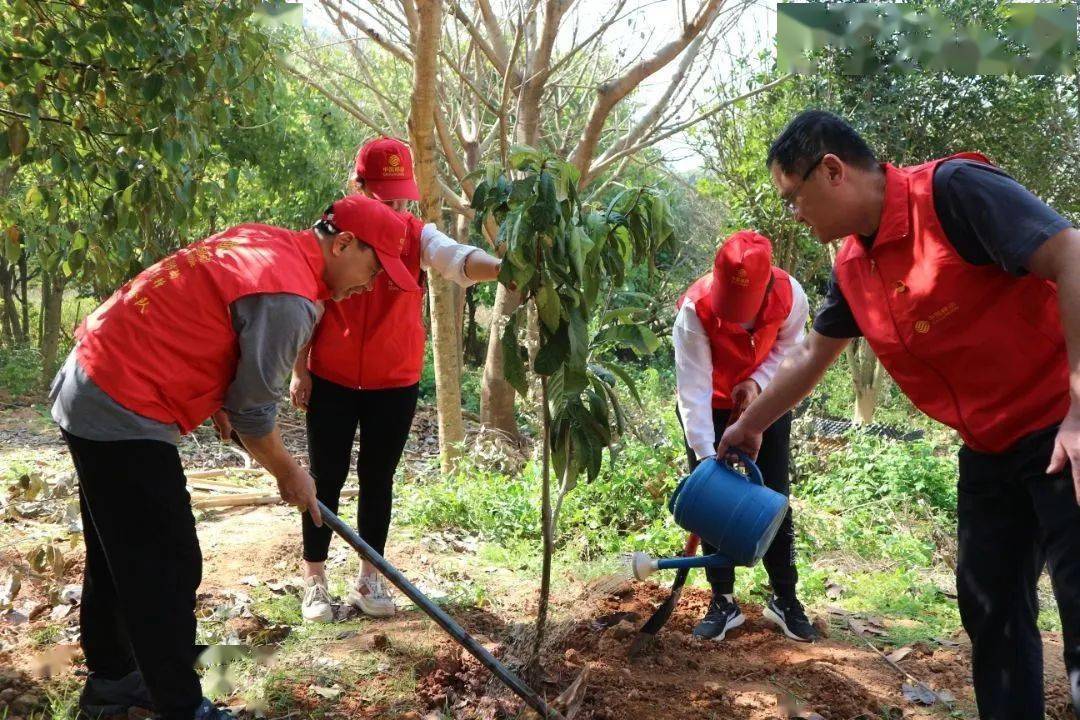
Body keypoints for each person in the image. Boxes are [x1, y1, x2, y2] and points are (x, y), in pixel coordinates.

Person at [719, 109, 1080, 719]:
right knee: (990, 611)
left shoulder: (952, 194)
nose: (794, 216)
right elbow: (813, 355)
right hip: (989, 447)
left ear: (831, 170)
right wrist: (749, 425)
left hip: (1061, 426)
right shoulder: (852, 266)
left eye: (792, 199)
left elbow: (1071, 254)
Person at [50, 195, 412, 720]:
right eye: (375, 267)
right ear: (344, 243)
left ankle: (113, 681)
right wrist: (292, 474)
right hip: (123, 400)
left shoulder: (270, 242)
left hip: (93, 376)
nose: (372, 284)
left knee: (119, 552)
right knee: (168, 561)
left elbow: (216, 326)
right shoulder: (291, 298)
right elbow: (254, 413)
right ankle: (178, 705)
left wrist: (221, 399)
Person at [291, 136, 503, 623]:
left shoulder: (414, 234)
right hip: (333, 377)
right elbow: (310, 301)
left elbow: (455, 259)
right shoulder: (333, 233)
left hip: (394, 380)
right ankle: (315, 579)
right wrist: (300, 369)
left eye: (399, 194)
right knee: (326, 476)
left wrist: (503, 271)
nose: (393, 204)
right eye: (382, 194)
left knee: (378, 477)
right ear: (357, 185)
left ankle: (370, 576)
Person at [674, 230, 817, 643]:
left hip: (770, 400)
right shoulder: (694, 309)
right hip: (710, 408)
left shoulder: (791, 296)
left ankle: (785, 597)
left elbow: (790, 354)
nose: (735, 319)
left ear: (767, 285)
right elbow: (693, 388)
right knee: (712, 503)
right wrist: (705, 459)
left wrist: (756, 384)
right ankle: (722, 600)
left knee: (775, 497)